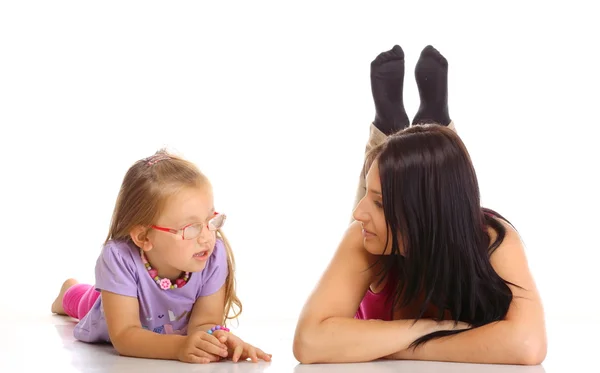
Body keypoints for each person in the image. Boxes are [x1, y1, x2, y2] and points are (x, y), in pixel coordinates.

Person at [293, 45, 547, 365]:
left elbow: (527, 345)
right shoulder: (362, 238)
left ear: (423, 215)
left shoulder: (494, 239)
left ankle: (421, 121)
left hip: (438, 214)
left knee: (429, 175)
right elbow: (309, 342)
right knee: (391, 168)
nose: (358, 214)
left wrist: (391, 344)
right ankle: (412, 123)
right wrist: (433, 329)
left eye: (380, 204)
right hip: (415, 217)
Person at [51, 149, 271, 364]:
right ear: (144, 237)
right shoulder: (118, 257)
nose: (207, 238)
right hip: (107, 310)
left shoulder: (213, 256)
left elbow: (205, 322)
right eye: (191, 228)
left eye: (210, 220)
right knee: (84, 301)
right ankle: (68, 290)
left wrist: (218, 341)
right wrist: (178, 348)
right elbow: (125, 336)